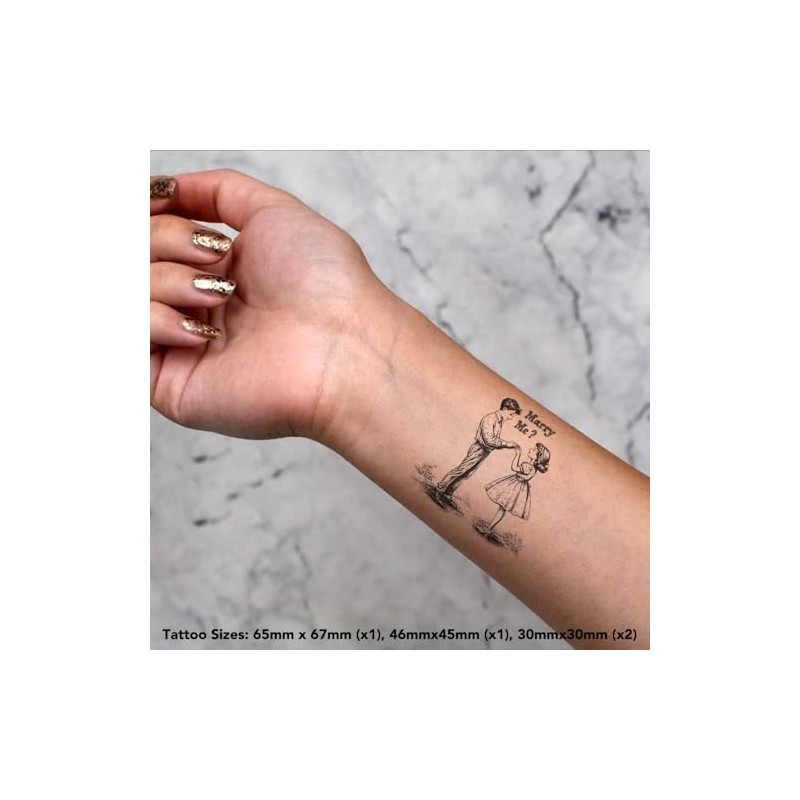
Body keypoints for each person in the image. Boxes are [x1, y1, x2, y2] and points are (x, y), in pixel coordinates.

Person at [150, 170, 650, 649]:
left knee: (473, 479)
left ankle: (451, 485)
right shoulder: (501, 427)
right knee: (469, 475)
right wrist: (342, 354)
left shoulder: (511, 436)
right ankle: (449, 484)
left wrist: (343, 351)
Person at [433, 399, 522, 507]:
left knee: (467, 474)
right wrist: (507, 444)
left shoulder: (499, 420)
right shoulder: (490, 418)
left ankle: (448, 494)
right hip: (479, 448)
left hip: (485, 451)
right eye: (511, 414)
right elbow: (489, 440)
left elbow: (492, 441)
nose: (511, 418)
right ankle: (438, 490)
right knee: (460, 470)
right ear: (504, 409)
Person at [484, 443, 551, 531]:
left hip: (515, 487)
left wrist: (518, 454)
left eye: (534, 450)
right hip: (517, 486)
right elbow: (528, 476)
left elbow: (515, 468)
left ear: (537, 457)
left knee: (502, 508)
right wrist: (524, 477)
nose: (531, 449)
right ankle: (489, 528)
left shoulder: (528, 466)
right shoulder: (531, 467)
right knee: (502, 508)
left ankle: (488, 529)